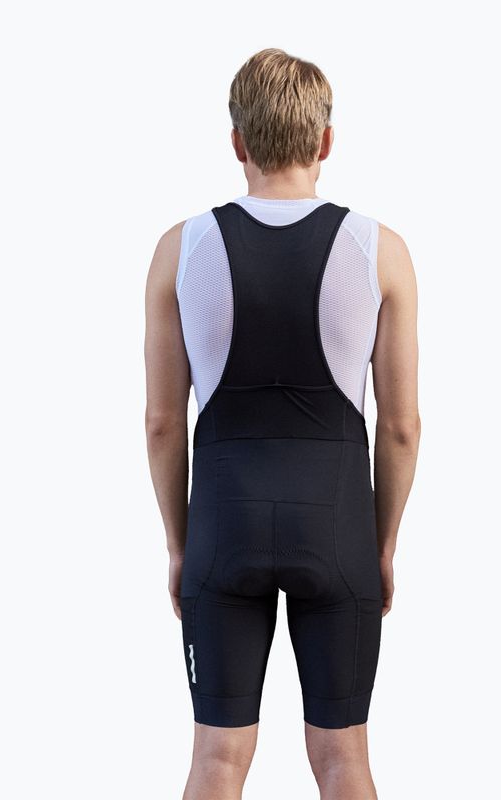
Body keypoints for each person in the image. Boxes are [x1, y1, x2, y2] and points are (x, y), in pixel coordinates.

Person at [144, 47, 420, 800]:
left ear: (237, 142)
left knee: (217, 759)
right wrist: (381, 544)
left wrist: (180, 544)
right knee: (343, 760)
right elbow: (401, 425)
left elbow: (164, 422)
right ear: (326, 141)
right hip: (337, 528)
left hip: (222, 527)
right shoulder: (382, 251)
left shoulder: (180, 249)